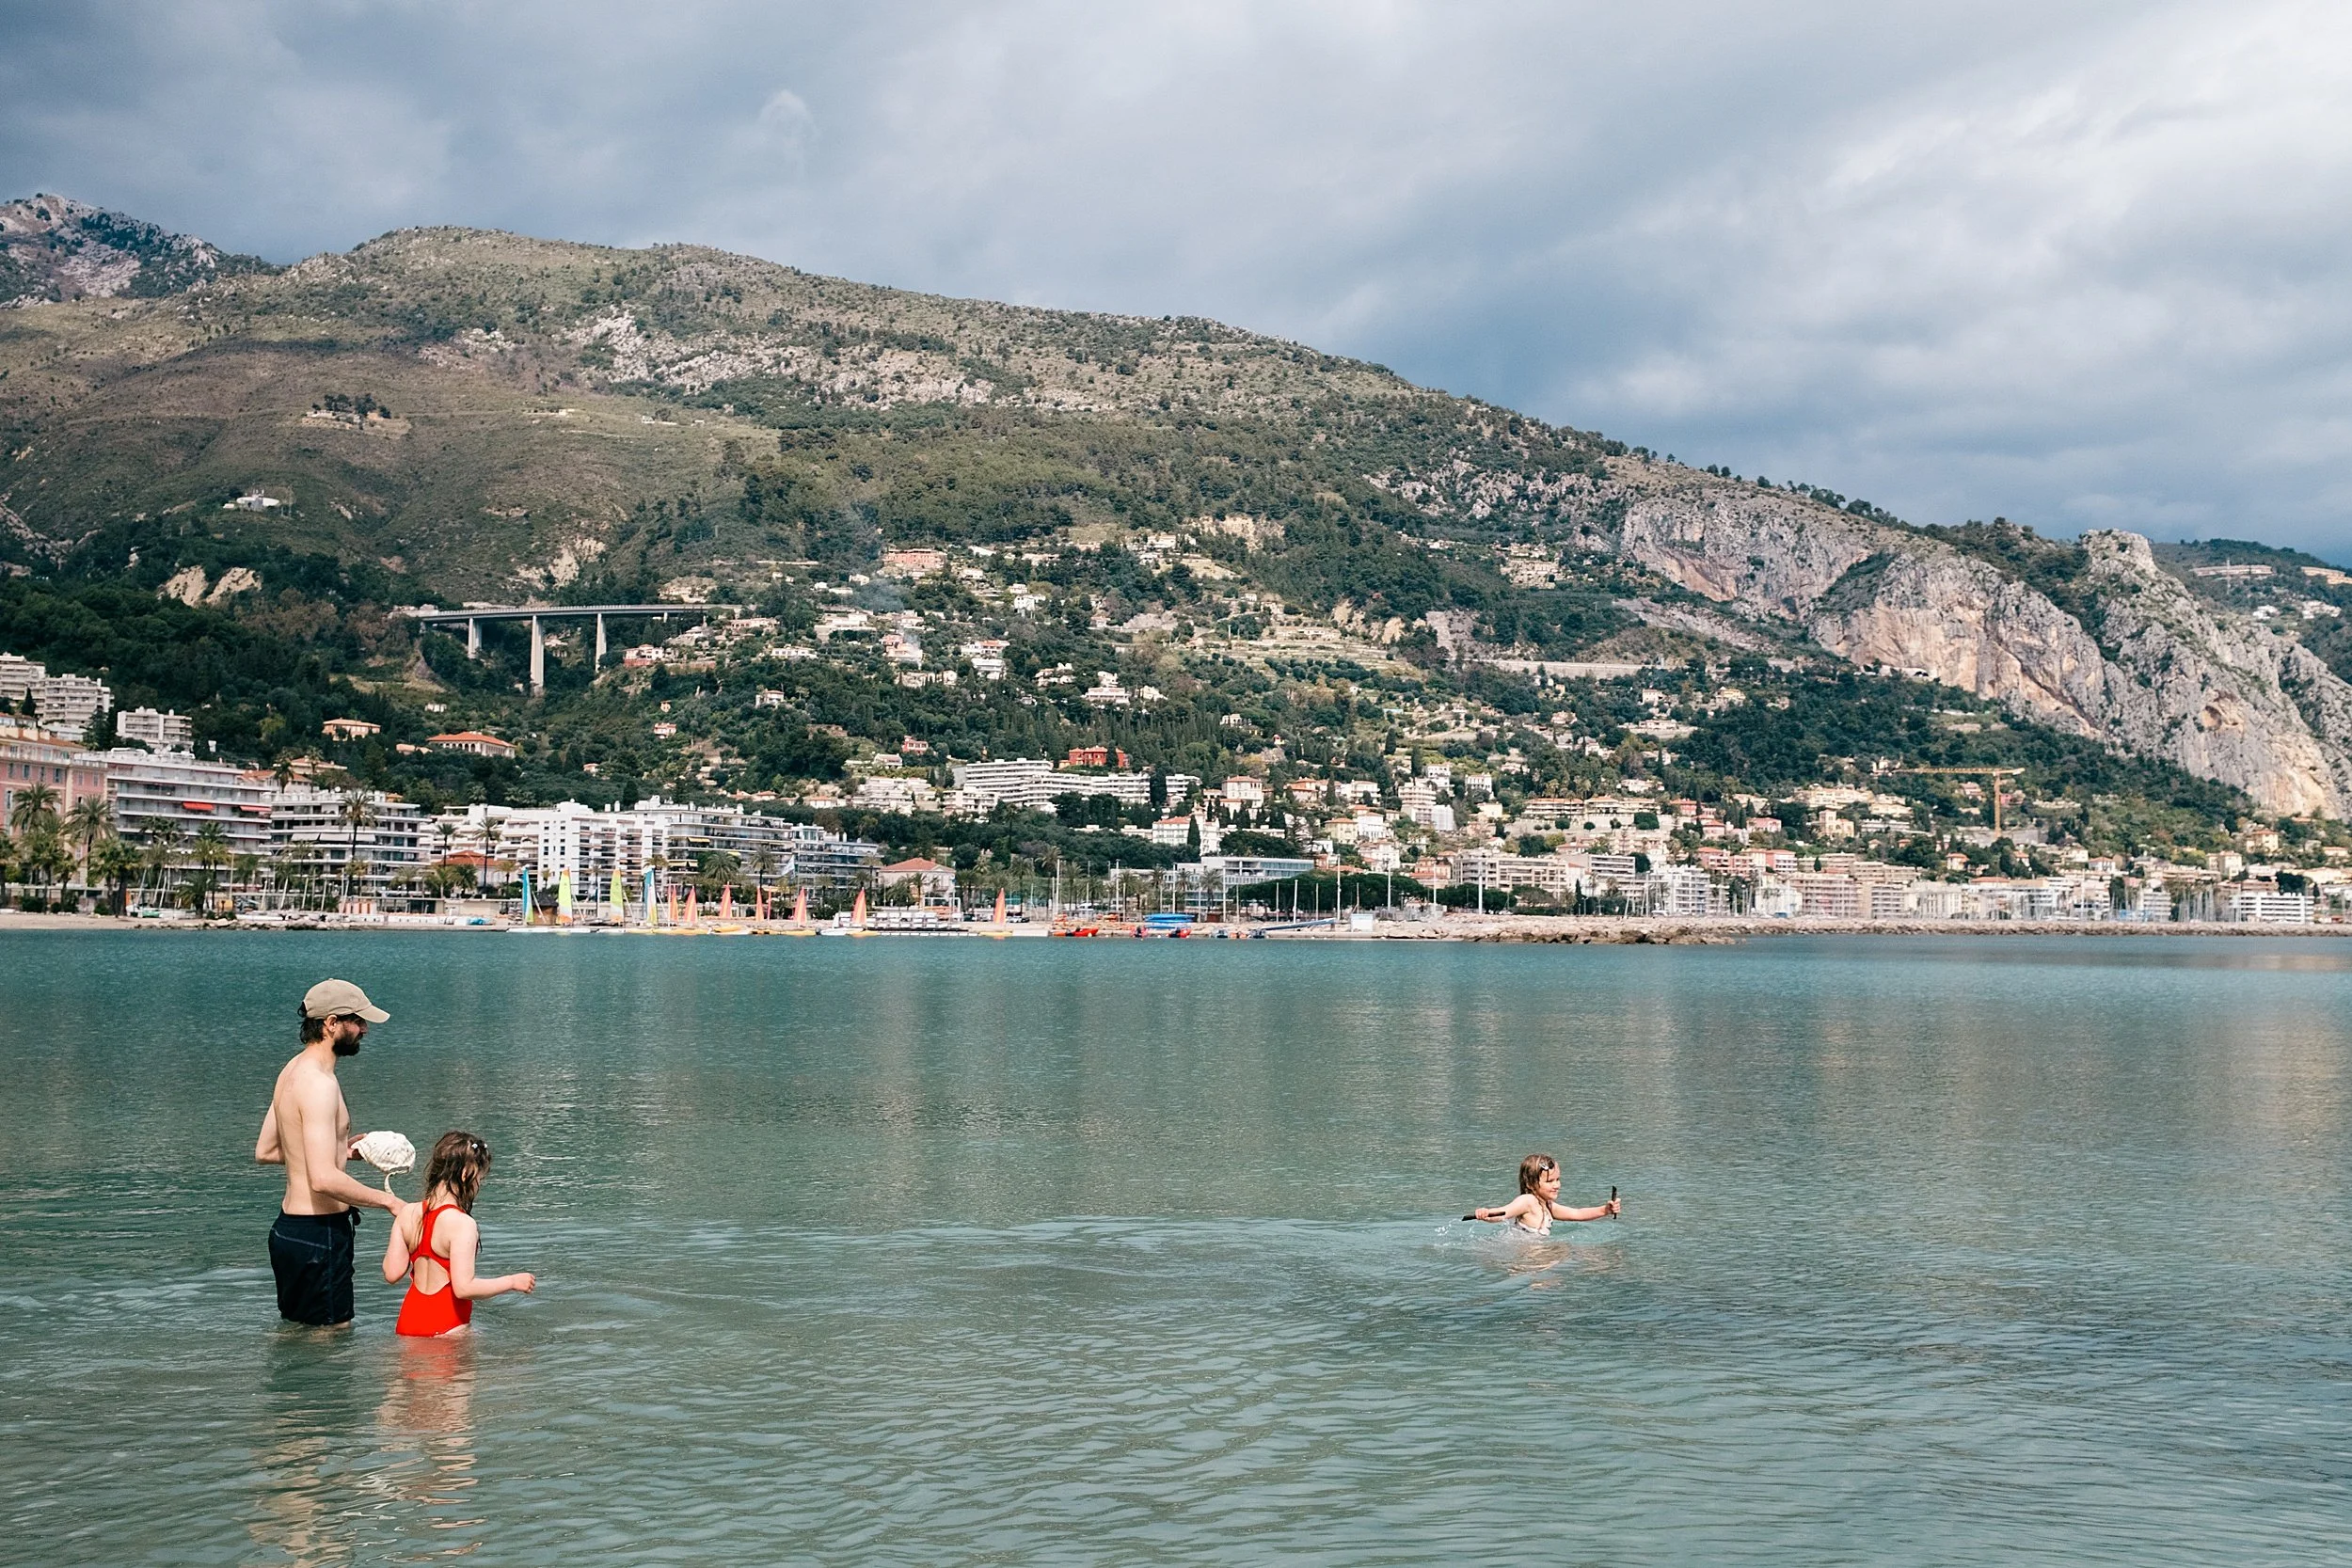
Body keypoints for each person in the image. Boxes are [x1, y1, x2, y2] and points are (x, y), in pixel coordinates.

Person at [256, 978, 400, 1327]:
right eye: (358, 1021)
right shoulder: (320, 1085)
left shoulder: (291, 1071)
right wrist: (393, 1204)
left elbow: (267, 1150)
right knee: (330, 1342)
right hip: (320, 1235)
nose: (365, 1029)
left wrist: (339, 1151)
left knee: (299, 1334)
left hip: (289, 1232)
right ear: (331, 1023)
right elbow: (322, 1180)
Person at [383, 1132, 537, 1337]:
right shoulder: (462, 1223)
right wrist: (512, 1281)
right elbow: (464, 1288)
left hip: (408, 1324)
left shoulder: (407, 1213)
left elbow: (392, 1273)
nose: (478, 1185)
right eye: (479, 1178)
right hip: (447, 1326)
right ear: (466, 1173)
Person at [1466, 1154, 1619, 1235]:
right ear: (1530, 1184)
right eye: (1550, 1181)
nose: (1556, 1185)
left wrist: (1605, 1210)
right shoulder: (1528, 1201)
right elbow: (1504, 1213)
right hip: (1522, 1252)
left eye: (1557, 1179)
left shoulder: (1548, 1205)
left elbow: (1577, 1213)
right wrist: (1486, 1214)